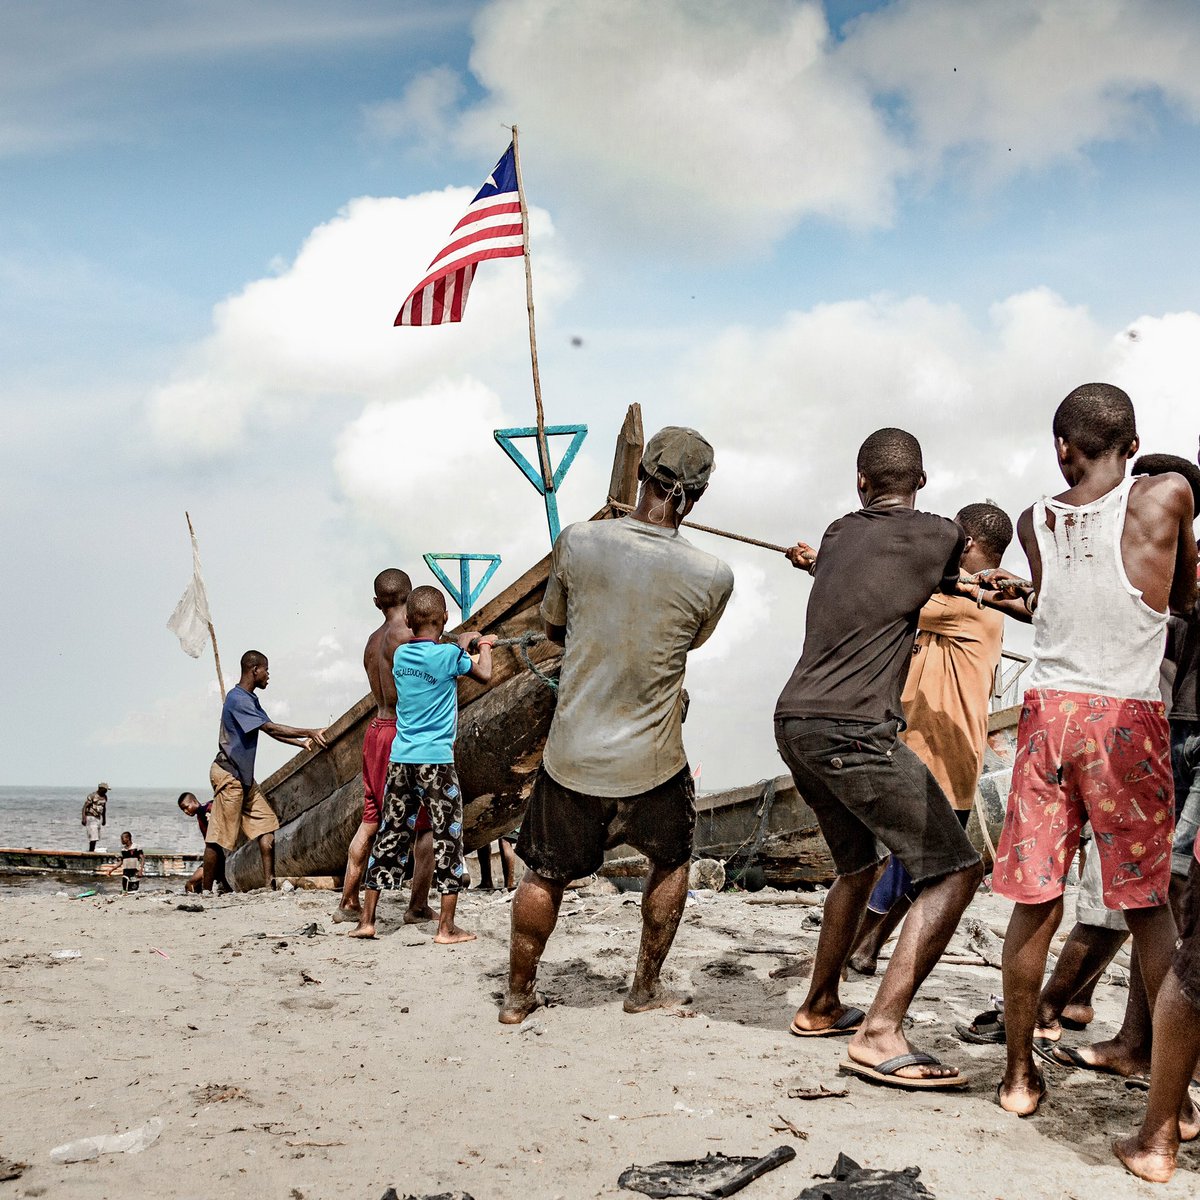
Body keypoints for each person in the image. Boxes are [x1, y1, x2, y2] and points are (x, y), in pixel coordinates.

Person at [982, 384, 1196, 1118]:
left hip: (1048, 716)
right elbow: (1182, 597)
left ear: (1061, 449)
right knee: (1147, 906)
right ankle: (1173, 1102)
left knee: (1035, 899)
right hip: (1126, 720)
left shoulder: (1033, 517)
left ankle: (1016, 1077)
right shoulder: (1167, 495)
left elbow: (1052, 601)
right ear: (1133, 445)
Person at [500, 426, 734, 1024]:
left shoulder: (578, 541)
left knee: (544, 874)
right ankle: (642, 988)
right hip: (653, 761)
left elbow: (554, 629)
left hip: (572, 754)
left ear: (639, 478)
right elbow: (688, 642)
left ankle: (518, 995)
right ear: (698, 497)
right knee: (671, 860)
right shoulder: (713, 575)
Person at [774, 427, 983, 1090]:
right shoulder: (939, 535)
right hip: (854, 731)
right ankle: (881, 1033)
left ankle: (820, 1005)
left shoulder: (837, 533)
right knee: (954, 870)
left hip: (795, 722)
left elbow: (868, 574)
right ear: (920, 482)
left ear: (860, 483)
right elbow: (971, 565)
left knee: (857, 866)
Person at [849, 502, 1014, 976]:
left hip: (940, 754)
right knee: (913, 865)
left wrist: (829, 566)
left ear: (970, 545)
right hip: (929, 748)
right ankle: (867, 947)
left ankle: (857, 944)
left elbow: (892, 597)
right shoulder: (955, 596)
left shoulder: (972, 600)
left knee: (906, 861)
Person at [350, 586, 494, 943]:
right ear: (444, 619)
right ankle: (446, 927)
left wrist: (458, 643)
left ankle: (367, 921)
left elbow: (440, 652)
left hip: (401, 761)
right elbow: (484, 674)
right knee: (448, 838)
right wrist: (484, 645)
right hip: (437, 765)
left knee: (388, 836)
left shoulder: (400, 657)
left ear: (410, 623)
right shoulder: (448, 657)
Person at [333, 569, 438, 925]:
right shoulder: (408, 636)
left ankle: (348, 900)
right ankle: (418, 906)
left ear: (377, 602)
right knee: (425, 826)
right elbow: (438, 660)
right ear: (410, 598)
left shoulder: (372, 641)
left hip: (374, 732)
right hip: (400, 733)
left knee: (371, 819)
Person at [203, 651, 329, 893]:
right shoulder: (237, 699)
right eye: (266, 670)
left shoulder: (249, 698)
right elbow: (270, 726)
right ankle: (207, 892)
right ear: (254, 670)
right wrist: (310, 731)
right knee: (218, 838)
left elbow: (270, 731)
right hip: (229, 775)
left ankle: (269, 885)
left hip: (244, 777)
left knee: (267, 826)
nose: (268, 675)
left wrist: (301, 742)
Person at [178, 791, 230, 894]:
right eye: (183, 810)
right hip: (217, 855)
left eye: (186, 807)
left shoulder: (206, 809)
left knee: (191, 883)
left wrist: (211, 814)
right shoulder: (200, 813)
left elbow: (213, 807)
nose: (186, 811)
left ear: (194, 801)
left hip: (218, 855)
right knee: (225, 886)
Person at [81, 782, 109, 851]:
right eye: (105, 790)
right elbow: (84, 807)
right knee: (93, 836)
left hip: (98, 817)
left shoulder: (104, 797)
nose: (106, 791)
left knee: (96, 837)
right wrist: (84, 818)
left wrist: (104, 819)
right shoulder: (92, 796)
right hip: (91, 817)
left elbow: (104, 808)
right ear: (101, 789)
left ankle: (92, 850)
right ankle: (91, 851)